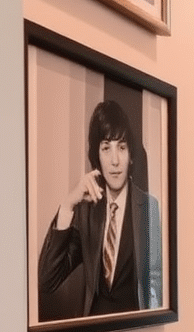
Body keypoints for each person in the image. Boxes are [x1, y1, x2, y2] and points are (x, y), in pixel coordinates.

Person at [38, 99, 163, 318]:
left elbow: (155, 283)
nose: (114, 160)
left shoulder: (149, 207)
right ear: (97, 156)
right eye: (106, 148)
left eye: (122, 148)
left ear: (131, 155)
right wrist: (68, 205)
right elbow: (47, 280)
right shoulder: (87, 210)